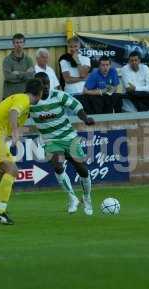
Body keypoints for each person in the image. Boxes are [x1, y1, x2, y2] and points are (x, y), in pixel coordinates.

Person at [0, 79, 43, 225]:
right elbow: (13, 112)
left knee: (0, 175)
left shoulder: (23, 104)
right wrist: (15, 132)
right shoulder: (24, 99)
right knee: (12, 170)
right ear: (39, 93)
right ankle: (0, 212)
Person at [31, 72, 95, 215]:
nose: (46, 87)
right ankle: (72, 197)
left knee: (82, 170)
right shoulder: (31, 102)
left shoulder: (59, 95)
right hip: (51, 141)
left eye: (47, 83)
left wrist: (85, 119)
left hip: (69, 138)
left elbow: (76, 107)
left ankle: (86, 197)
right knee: (58, 165)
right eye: (42, 85)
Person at [3, 33, 34, 98]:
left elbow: (31, 77)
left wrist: (17, 73)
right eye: (17, 42)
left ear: (24, 44)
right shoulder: (7, 60)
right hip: (10, 96)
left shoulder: (28, 60)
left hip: (25, 95)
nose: (19, 45)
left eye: (21, 42)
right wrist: (26, 73)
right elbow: (8, 77)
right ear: (13, 44)